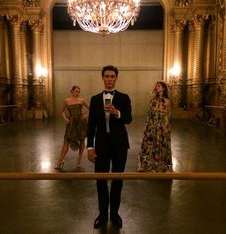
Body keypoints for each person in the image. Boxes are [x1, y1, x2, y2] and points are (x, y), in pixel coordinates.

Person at [87, 65, 132, 229]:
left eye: (112, 76)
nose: (110, 79)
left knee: (118, 180)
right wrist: (89, 147)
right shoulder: (94, 99)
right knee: (100, 181)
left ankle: (114, 214)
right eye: (107, 76)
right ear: (103, 78)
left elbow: (128, 119)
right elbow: (91, 125)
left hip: (120, 145)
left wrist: (117, 113)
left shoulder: (124, 98)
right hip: (101, 146)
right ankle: (102, 214)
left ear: (116, 78)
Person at [138, 81, 173, 172]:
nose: (157, 88)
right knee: (150, 144)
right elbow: (150, 113)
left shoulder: (167, 101)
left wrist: (166, 127)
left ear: (163, 88)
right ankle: (147, 165)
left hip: (163, 126)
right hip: (152, 124)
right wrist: (148, 125)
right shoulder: (153, 99)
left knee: (160, 144)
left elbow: (168, 115)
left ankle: (161, 166)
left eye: (159, 86)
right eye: (156, 86)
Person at [55, 85, 89, 169]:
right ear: (72, 91)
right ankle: (60, 161)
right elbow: (62, 111)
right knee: (66, 141)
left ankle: (79, 161)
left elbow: (91, 109)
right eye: (76, 91)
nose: (77, 93)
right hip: (71, 123)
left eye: (78, 92)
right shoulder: (67, 101)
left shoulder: (82, 100)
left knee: (81, 140)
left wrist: (85, 116)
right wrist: (65, 118)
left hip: (81, 123)